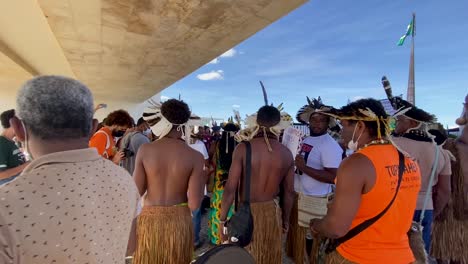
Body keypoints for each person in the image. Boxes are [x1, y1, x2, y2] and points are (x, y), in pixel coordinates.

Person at [0, 75, 139, 263]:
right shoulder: (124, 180)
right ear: (93, 127)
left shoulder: (7, 204)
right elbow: (131, 246)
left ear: (18, 128)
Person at [309, 98, 421, 263]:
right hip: (402, 256)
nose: (341, 132)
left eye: (344, 125)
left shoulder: (356, 163)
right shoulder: (409, 161)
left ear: (360, 126)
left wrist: (316, 225)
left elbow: (336, 228)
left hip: (359, 256)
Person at [132, 99, 205, 264]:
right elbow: (194, 204)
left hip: (150, 221)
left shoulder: (146, 150)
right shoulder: (195, 157)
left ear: (161, 119)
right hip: (178, 222)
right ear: (185, 122)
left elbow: (136, 191)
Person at [220, 104, 295, 264]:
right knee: (268, 256)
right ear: (278, 125)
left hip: (246, 215)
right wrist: (285, 220)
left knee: (245, 256)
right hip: (271, 214)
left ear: (256, 122)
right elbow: (289, 192)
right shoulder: (286, 153)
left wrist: (222, 221)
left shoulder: (243, 148)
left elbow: (230, 189)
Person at [389, 96, 452, 253]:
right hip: (424, 210)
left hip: (392, 208)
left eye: (399, 120)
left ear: (413, 123)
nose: (395, 123)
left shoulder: (390, 146)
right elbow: (445, 192)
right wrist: (433, 213)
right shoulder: (441, 152)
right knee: (418, 256)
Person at [287, 97, 343, 263]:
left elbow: (334, 177)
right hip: (299, 196)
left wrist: (304, 168)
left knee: (313, 241)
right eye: (314, 119)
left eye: (322, 120)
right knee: (300, 240)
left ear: (328, 123)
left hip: (315, 200)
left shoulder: (330, 145)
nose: (317, 123)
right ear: (308, 121)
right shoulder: (306, 139)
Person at [431, 94, 468, 263]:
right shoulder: (450, 148)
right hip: (451, 218)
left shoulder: (449, 148)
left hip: (451, 216)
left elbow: (441, 188)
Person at [208, 119, 240, 245]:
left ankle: (217, 238)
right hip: (234, 185)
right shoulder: (239, 146)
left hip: (219, 185)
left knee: (218, 209)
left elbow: (211, 162)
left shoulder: (216, 145)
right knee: (232, 209)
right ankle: (232, 238)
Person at [0, 109, 28, 185]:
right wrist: (27, 165)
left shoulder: (11, 142)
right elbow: (1, 175)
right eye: (21, 124)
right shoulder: (1, 143)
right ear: (14, 124)